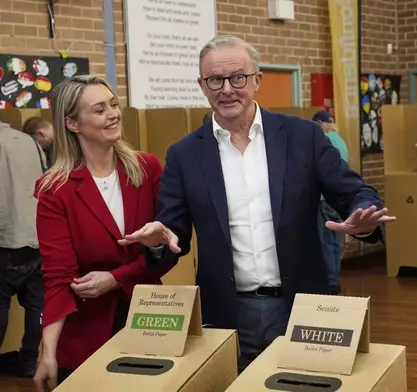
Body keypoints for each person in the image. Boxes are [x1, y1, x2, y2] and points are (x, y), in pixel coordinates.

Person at [118, 35, 395, 373]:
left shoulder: (302, 137)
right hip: (226, 312)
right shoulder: (184, 154)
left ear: (257, 80)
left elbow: (353, 192)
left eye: (238, 77)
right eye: (215, 80)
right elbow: (172, 230)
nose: (227, 89)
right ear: (202, 86)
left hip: (302, 307)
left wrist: (363, 216)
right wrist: (161, 239)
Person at [32, 75, 172, 391]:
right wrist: (48, 352)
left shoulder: (146, 169)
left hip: (149, 324)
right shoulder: (55, 189)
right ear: (72, 123)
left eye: (113, 104)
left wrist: (116, 278)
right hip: (85, 336)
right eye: (99, 110)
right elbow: (57, 276)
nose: (112, 114)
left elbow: (164, 254)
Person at [0, 120, 47, 378]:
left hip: (6, 237)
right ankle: (29, 362)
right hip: (36, 236)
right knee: (37, 306)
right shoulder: (29, 141)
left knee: (0, 307)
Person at [313, 110, 349, 295]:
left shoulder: (325, 141)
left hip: (325, 198)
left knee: (325, 240)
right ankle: (335, 276)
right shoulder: (340, 140)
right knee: (335, 241)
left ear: (321, 123)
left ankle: (330, 281)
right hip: (338, 198)